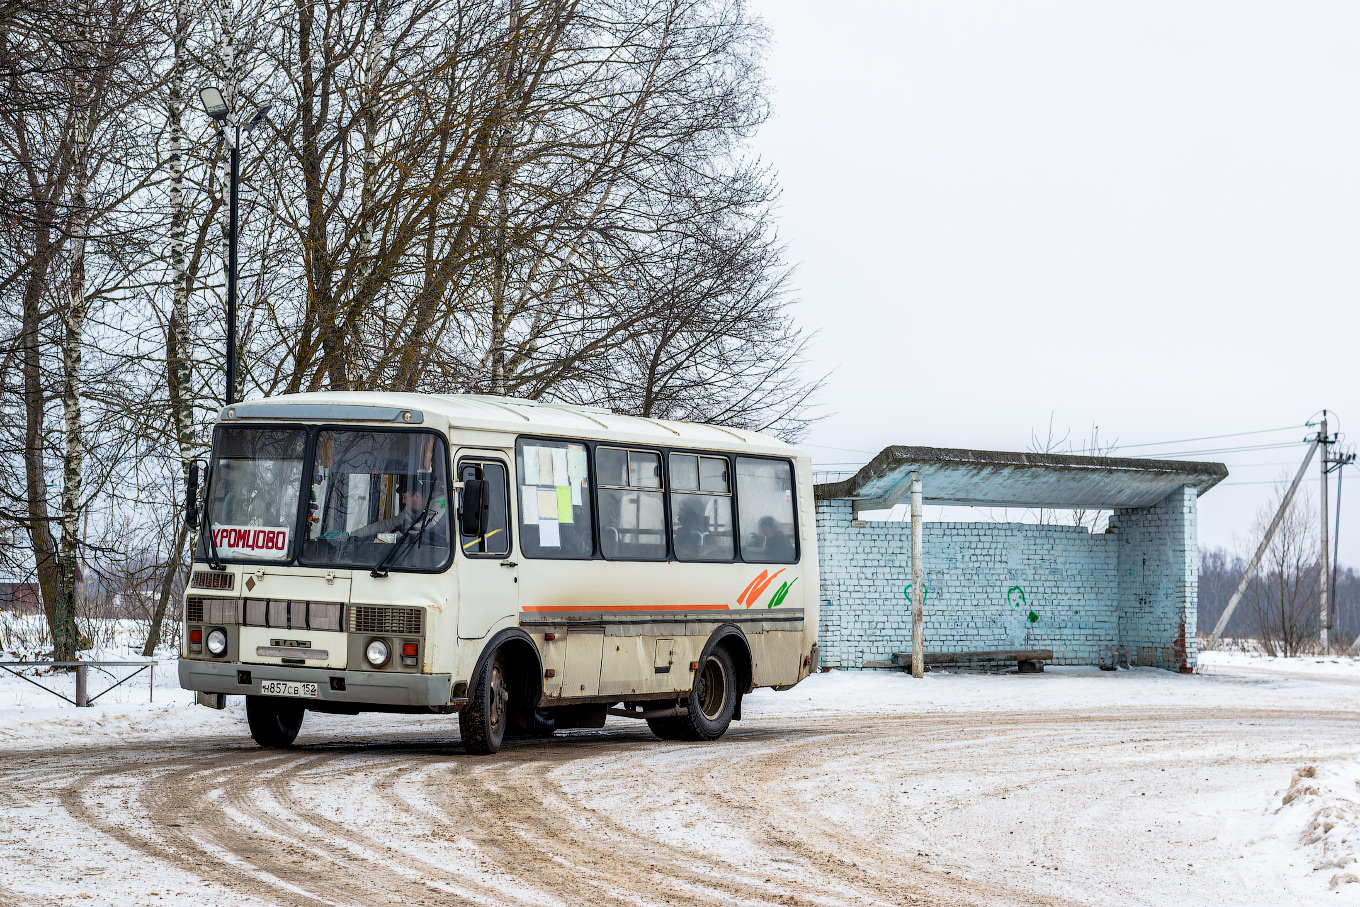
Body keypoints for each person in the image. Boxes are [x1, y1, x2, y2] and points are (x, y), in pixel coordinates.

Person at [350, 475, 442, 540]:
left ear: (417, 496)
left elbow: (429, 525)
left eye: (405, 498)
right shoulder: (409, 511)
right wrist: (354, 534)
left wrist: (394, 535)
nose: (403, 501)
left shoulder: (441, 502)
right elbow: (386, 525)